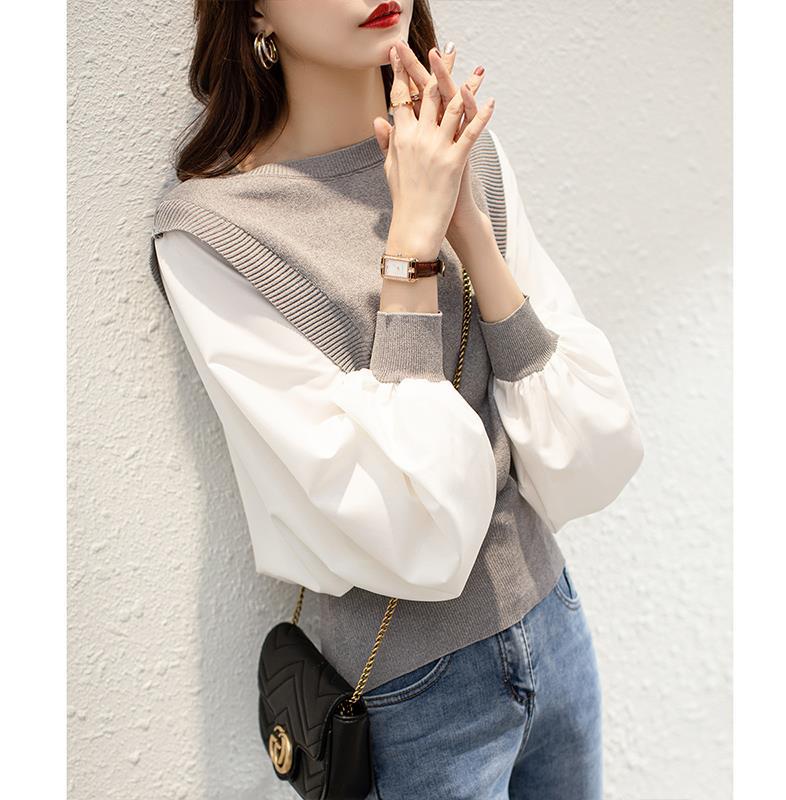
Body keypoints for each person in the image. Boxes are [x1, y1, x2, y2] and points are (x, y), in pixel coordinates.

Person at [149, 2, 645, 797]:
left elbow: (586, 445)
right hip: (412, 699)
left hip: (555, 626)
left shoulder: (458, 149)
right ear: (253, 12)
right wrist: (411, 246)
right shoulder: (214, 236)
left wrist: (466, 229)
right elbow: (405, 521)